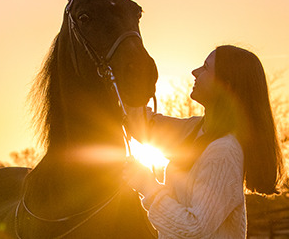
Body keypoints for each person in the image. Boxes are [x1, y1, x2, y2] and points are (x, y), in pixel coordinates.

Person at [122, 45, 285, 238]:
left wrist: (147, 184)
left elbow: (194, 229)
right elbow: (142, 124)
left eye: (206, 68)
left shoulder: (224, 151)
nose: (195, 72)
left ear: (226, 85)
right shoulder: (197, 130)